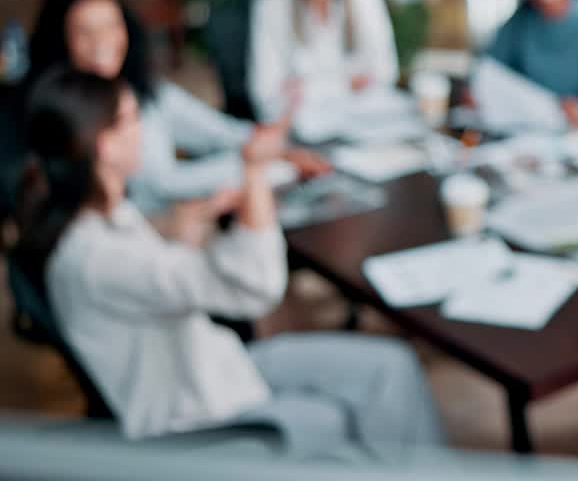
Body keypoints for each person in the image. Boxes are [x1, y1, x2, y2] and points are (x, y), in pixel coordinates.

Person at [14, 67, 445, 461]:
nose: (145, 128)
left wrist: (191, 225)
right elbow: (255, 288)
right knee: (339, 420)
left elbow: (158, 283)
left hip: (217, 364)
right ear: (105, 145)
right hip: (204, 413)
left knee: (391, 367)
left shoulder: (99, 220)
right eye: (132, 117)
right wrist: (254, 174)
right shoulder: (97, 256)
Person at [25, 0, 330, 215]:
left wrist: (276, 147)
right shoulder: (62, 111)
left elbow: (216, 131)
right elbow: (159, 183)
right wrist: (258, 162)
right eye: (84, 31)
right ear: (62, 40)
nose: (101, 40)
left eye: (110, 25)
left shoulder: (146, 90)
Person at [248, 0, 399, 125]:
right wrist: (348, 83)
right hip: (298, 126)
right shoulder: (272, 5)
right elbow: (264, 93)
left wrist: (307, 88)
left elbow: (385, 73)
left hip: (364, 121)